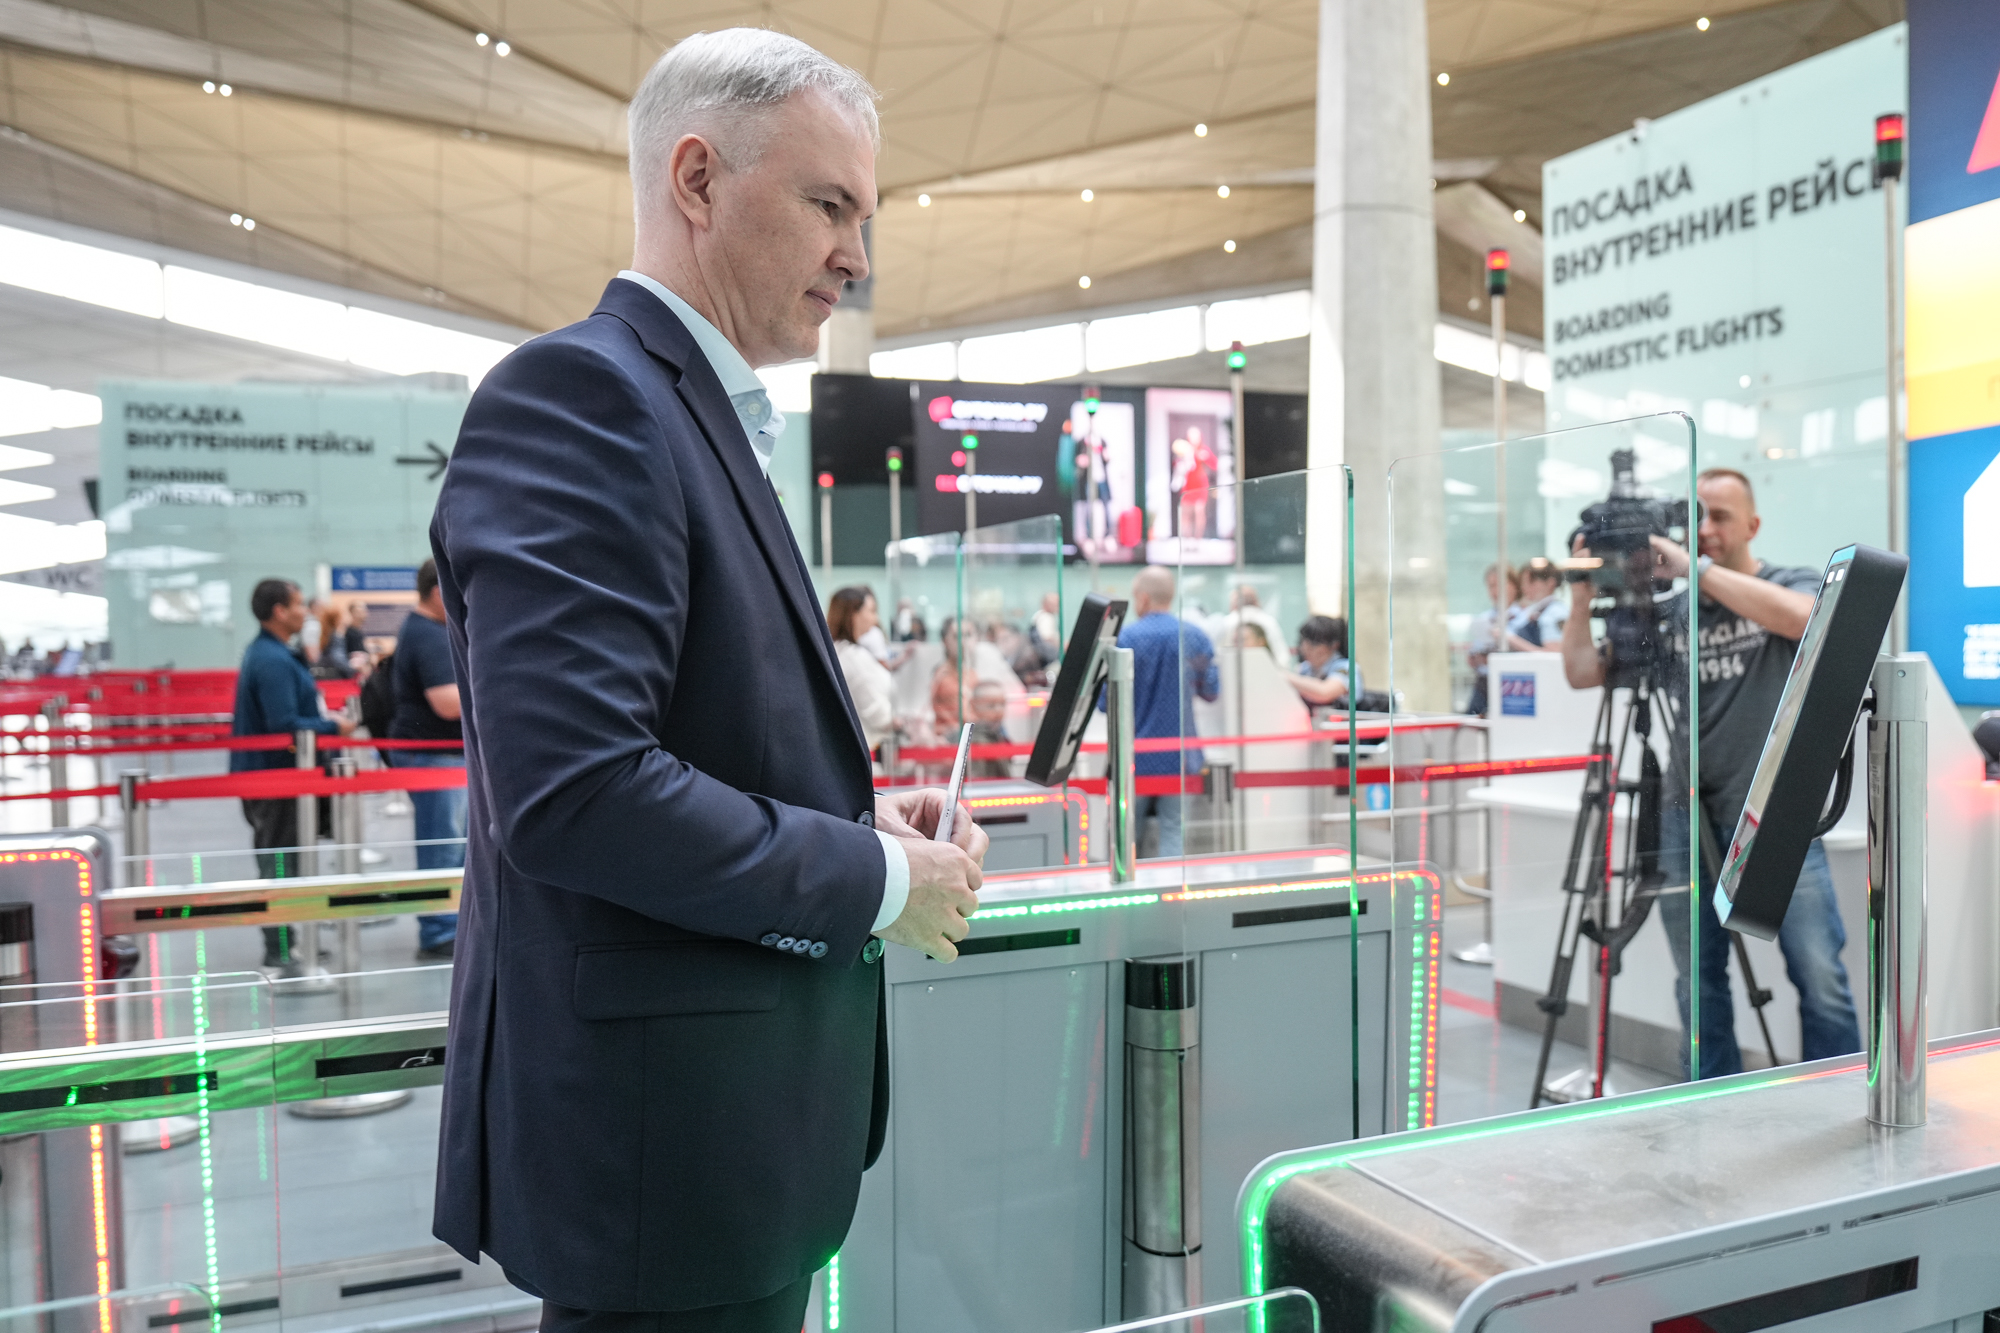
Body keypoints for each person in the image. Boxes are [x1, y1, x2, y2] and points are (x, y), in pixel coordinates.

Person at [427, 30, 988, 1333]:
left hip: (720, 1137)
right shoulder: (582, 396)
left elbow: (702, 731)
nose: (857, 254)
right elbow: (577, 791)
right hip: (662, 1157)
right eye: (829, 205)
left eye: (864, 216)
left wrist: (860, 820)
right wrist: (879, 881)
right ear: (696, 180)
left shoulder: (691, 415)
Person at [1560, 466, 1860, 1079]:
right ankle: (1708, 1100)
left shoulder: (1786, 581)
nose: (1707, 530)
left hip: (1775, 808)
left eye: (1721, 517)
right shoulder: (1673, 611)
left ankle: (1834, 1095)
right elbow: (1584, 672)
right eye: (1697, 518)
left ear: (1753, 525)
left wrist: (1693, 570)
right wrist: (1582, 596)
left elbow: (1807, 619)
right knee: (1697, 978)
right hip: (1684, 811)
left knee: (1819, 972)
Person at [231, 578, 356, 970]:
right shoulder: (271, 660)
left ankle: (289, 940)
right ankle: (280, 947)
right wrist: (333, 726)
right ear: (280, 611)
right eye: (299, 605)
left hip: (280, 776)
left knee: (286, 859)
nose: (306, 612)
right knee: (280, 863)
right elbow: (283, 723)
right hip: (275, 779)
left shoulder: (275, 653)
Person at [1113, 566, 1219, 858]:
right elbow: (1211, 691)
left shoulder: (1125, 639)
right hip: (1180, 755)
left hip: (1133, 756)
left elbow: (1104, 702)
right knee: (1173, 829)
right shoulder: (1195, 636)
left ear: (1143, 598)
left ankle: (1127, 884)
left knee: (1126, 835)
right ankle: (1171, 885)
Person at [389, 559, 465, 960]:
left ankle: (451, 924)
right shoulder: (429, 635)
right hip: (434, 757)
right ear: (439, 592)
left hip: (440, 756)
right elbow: (447, 703)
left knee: (452, 845)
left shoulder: (427, 630)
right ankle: (438, 931)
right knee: (443, 847)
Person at [828, 585, 895, 751]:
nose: (875, 619)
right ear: (854, 614)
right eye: (871, 611)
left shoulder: (840, 652)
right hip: (869, 747)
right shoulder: (852, 657)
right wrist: (903, 722)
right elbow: (879, 715)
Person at [1464, 563, 1521, 716]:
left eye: (1499, 585)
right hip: (1484, 684)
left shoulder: (1524, 617)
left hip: (1512, 684)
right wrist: (1476, 659)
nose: (1495, 591)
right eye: (1491, 586)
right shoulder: (1483, 619)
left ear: (1515, 585)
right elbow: (1476, 650)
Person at [1289, 615, 1360, 709]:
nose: (1305, 648)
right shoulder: (1305, 669)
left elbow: (1325, 692)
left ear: (1334, 645)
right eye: (1303, 641)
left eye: (1313, 643)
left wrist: (1284, 676)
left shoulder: (1346, 667)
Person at [1512, 557, 1568, 648]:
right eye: (1523, 582)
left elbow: (1553, 652)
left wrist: (1511, 640)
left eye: (1531, 581)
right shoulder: (1533, 611)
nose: (1524, 587)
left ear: (1550, 582)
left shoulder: (1555, 612)